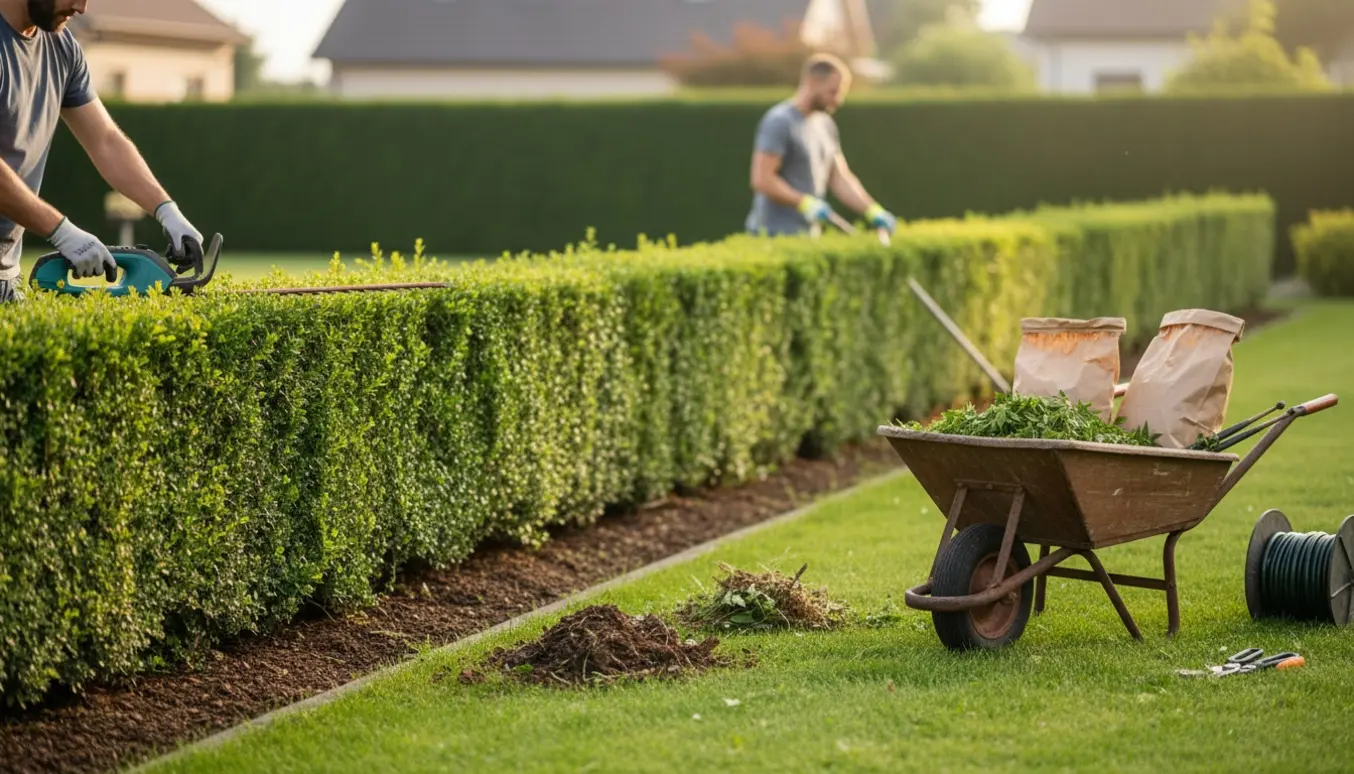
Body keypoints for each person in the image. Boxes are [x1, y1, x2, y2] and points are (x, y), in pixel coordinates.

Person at [0, 0, 203, 302]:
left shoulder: (62, 47)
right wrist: (60, 230)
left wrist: (166, 211)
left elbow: (105, 140)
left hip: (6, 274)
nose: (81, 7)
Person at [744, 53, 897, 238]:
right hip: (771, 235)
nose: (838, 100)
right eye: (833, 92)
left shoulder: (826, 124)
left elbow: (840, 178)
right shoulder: (779, 121)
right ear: (812, 82)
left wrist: (873, 211)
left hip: (808, 235)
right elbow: (762, 179)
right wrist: (804, 203)